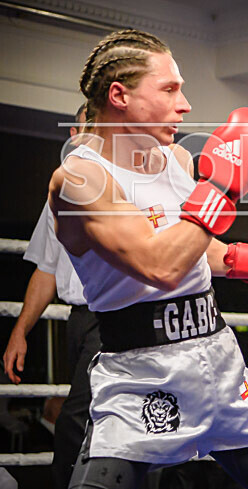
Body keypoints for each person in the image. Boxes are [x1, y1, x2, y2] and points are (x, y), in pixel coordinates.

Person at [48, 29, 248, 489]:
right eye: (169, 89)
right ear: (119, 96)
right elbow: (158, 265)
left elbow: (193, 248)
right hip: (141, 379)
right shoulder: (80, 180)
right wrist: (225, 185)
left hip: (221, 367)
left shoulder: (176, 159)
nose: (184, 105)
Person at [3, 103, 105, 489]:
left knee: (75, 422)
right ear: (73, 135)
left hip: (112, 319)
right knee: (90, 425)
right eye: (85, 128)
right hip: (78, 321)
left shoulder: (127, 187)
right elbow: (47, 268)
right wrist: (20, 331)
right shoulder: (60, 191)